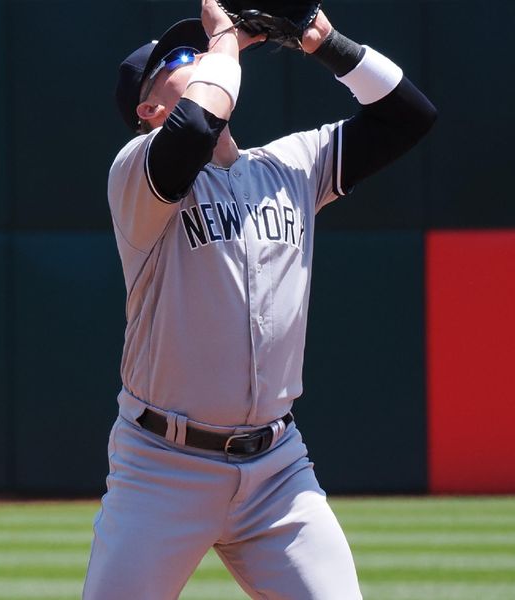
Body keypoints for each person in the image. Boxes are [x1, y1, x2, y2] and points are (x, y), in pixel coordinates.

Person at [83, 1, 436, 598]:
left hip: (277, 470)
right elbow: (194, 128)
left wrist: (322, 41)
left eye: (200, 49)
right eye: (179, 57)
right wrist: (223, 42)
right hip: (162, 468)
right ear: (148, 110)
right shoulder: (137, 174)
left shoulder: (290, 166)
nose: (199, 56)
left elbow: (409, 116)